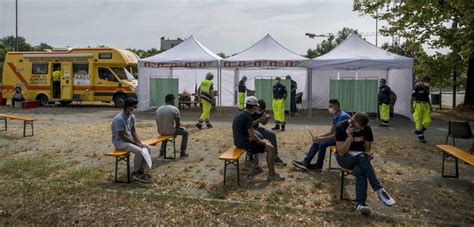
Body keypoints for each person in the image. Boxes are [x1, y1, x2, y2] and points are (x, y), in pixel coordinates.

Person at [335, 112, 396, 215]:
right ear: (353, 122)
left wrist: (368, 154)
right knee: (362, 158)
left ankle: (360, 205)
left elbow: (367, 147)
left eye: (362, 128)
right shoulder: (341, 127)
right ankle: (379, 189)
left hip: (360, 158)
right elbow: (341, 152)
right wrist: (349, 138)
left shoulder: (366, 128)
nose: (360, 129)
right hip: (344, 159)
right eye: (359, 127)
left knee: (360, 170)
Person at [232, 96, 285, 182]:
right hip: (245, 143)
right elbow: (252, 137)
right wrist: (262, 142)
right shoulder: (247, 117)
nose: (257, 108)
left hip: (238, 142)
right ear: (253, 107)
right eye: (256, 107)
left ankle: (256, 167)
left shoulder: (239, 114)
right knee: (270, 148)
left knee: (259, 146)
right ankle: (272, 174)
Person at [292, 99, 351, 171]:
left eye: (331, 106)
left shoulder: (342, 116)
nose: (329, 108)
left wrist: (321, 139)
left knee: (322, 143)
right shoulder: (335, 116)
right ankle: (306, 162)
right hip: (339, 138)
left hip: (344, 140)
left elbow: (337, 136)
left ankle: (318, 165)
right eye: (329, 106)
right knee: (317, 142)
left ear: (337, 107)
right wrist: (319, 137)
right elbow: (331, 132)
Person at [111, 98, 151, 183]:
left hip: (128, 140)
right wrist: (136, 143)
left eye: (135, 107)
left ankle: (141, 171)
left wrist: (140, 143)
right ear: (127, 107)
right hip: (120, 142)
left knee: (147, 148)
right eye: (133, 107)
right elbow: (123, 136)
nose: (134, 109)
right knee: (140, 151)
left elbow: (133, 131)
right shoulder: (119, 119)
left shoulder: (132, 116)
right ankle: (135, 173)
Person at [250, 99, 286, 165]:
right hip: (250, 130)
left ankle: (275, 157)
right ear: (256, 107)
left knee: (272, 135)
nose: (261, 111)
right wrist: (258, 120)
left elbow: (264, 123)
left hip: (257, 128)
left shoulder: (261, 112)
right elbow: (248, 125)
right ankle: (253, 158)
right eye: (260, 110)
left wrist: (266, 119)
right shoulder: (250, 111)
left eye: (262, 110)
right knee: (258, 136)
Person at [411, 76, 432, 143]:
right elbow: (412, 98)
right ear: (423, 81)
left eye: (428, 81)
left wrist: (430, 106)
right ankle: (421, 137)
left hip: (425, 105)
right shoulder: (417, 87)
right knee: (418, 122)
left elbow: (427, 97)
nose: (428, 83)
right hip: (417, 105)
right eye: (427, 81)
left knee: (428, 121)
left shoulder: (427, 88)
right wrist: (411, 107)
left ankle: (418, 131)